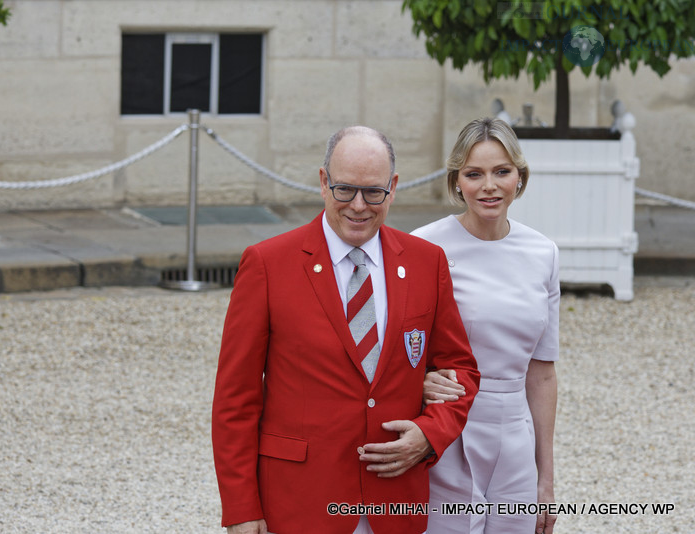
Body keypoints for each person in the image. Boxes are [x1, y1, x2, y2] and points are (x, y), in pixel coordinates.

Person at [212, 126, 480, 534]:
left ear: (392, 187)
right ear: (323, 182)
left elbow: (460, 369)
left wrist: (430, 433)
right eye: (344, 190)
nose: (358, 205)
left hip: (395, 504)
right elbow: (235, 401)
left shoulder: (427, 263)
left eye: (373, 192)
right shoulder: (268, 265)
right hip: (300, 503)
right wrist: (242, 509)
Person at [412, 117, 559, 534]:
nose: (489, 186)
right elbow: (394, 349)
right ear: (457, 181)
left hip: (516, 431)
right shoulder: (425, 246)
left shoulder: (543, 252)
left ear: (519, 177)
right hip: (448, 425)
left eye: (501, 172)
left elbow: (543, 371)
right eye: (474, 174)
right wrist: (417, 382)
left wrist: (545, 478)